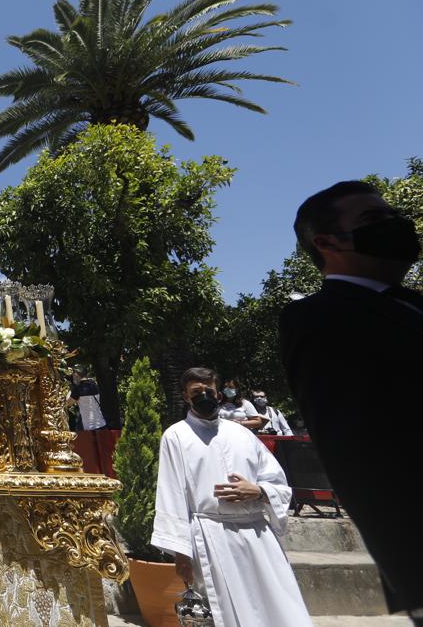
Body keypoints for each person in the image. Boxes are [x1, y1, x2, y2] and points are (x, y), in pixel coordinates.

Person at [280, 180, 423, 619]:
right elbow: (360, 455)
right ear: (326, 243)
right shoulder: (321, 319)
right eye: (372, 220)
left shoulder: (411, 304)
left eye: (392, 214)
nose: (396, 224)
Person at [151, 367, 310, 626]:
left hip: (258, 536)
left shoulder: (243, 434)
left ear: (219, 394)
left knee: (279, 607)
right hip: (211, 538)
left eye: (208, 391)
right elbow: (171, 494)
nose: (203, 395)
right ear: (185, 396)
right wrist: (181, 553)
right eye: (196, 392)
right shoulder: (176, 436)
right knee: (226, 613)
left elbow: (278, 484)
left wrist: (258, 491)